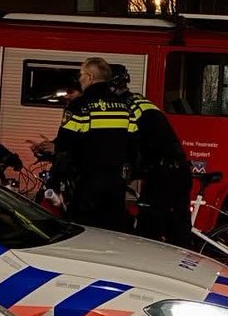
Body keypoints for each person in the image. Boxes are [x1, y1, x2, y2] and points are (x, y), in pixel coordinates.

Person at [109, 63, 192, 248]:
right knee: (178, 226)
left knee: (148, 229)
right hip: (178, 169)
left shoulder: (125, 107)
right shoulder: (140, 101)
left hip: (163, 174)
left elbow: (127, 142)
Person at [51, 57, 135, 231]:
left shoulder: (80, 105)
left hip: (88, 183)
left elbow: (65, 147)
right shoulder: (124, 106)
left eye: (81, 75)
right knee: (112, 230)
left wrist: (55, 180)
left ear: (89, 78)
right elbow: (132, 143)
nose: (80, 79)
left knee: (84, 231)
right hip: (116, 184)